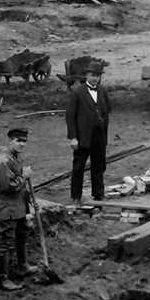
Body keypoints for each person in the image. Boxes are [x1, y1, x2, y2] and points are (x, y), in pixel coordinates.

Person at [0, 127, 35, 291]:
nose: (22, 144)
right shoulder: (3, 161)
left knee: (22, 234)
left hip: (19, 207)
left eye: (24, 141)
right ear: (10, 140)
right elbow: (8, 185)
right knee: (5, 242)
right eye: (18, 141)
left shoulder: (16, 157)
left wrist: (30, 200)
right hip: (6, 208)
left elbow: (21, 185)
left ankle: (22, 266)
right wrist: (24, 176)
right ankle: (3, 278)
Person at [65, 62, 111, 206]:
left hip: (99, 136)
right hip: (82, 137)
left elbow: (108, 108)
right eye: (92, 75)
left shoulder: (102, 91)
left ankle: (98, 196)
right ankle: (76, 197)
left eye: (97, 76)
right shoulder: (77, 92)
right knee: (78, 168)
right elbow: (70, 116)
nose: (95, 79)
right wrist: (73, 137)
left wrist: (99, 121)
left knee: (99, 167)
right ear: (86, 75)